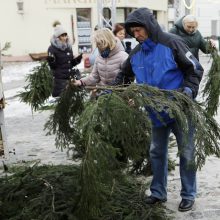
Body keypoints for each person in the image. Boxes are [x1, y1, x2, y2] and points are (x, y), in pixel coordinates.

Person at [113, 8, 204, 212]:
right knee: (157, 152)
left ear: (149, 26)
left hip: (181, 110)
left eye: (139, 30)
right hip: (156, 113)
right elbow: (123, 77)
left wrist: (188, 91)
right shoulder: (136, 53)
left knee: (187, 153)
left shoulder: (171, 43)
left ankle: (188, 194)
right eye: (133, 32)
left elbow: (195, 68)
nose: (136, 35)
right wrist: (111, 92)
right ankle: (158, 193)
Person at [47, 22, 83, 97]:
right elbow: (53, 67)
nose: (65, 37)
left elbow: (70, 63)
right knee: (61, 100)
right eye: (62, 35)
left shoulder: (68, 47)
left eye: (65, 35)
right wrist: (51, 61)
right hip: (60, 80)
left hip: (70, 77)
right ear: (57, 37)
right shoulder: (52, 48)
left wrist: (77, 60)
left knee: (72, 99)